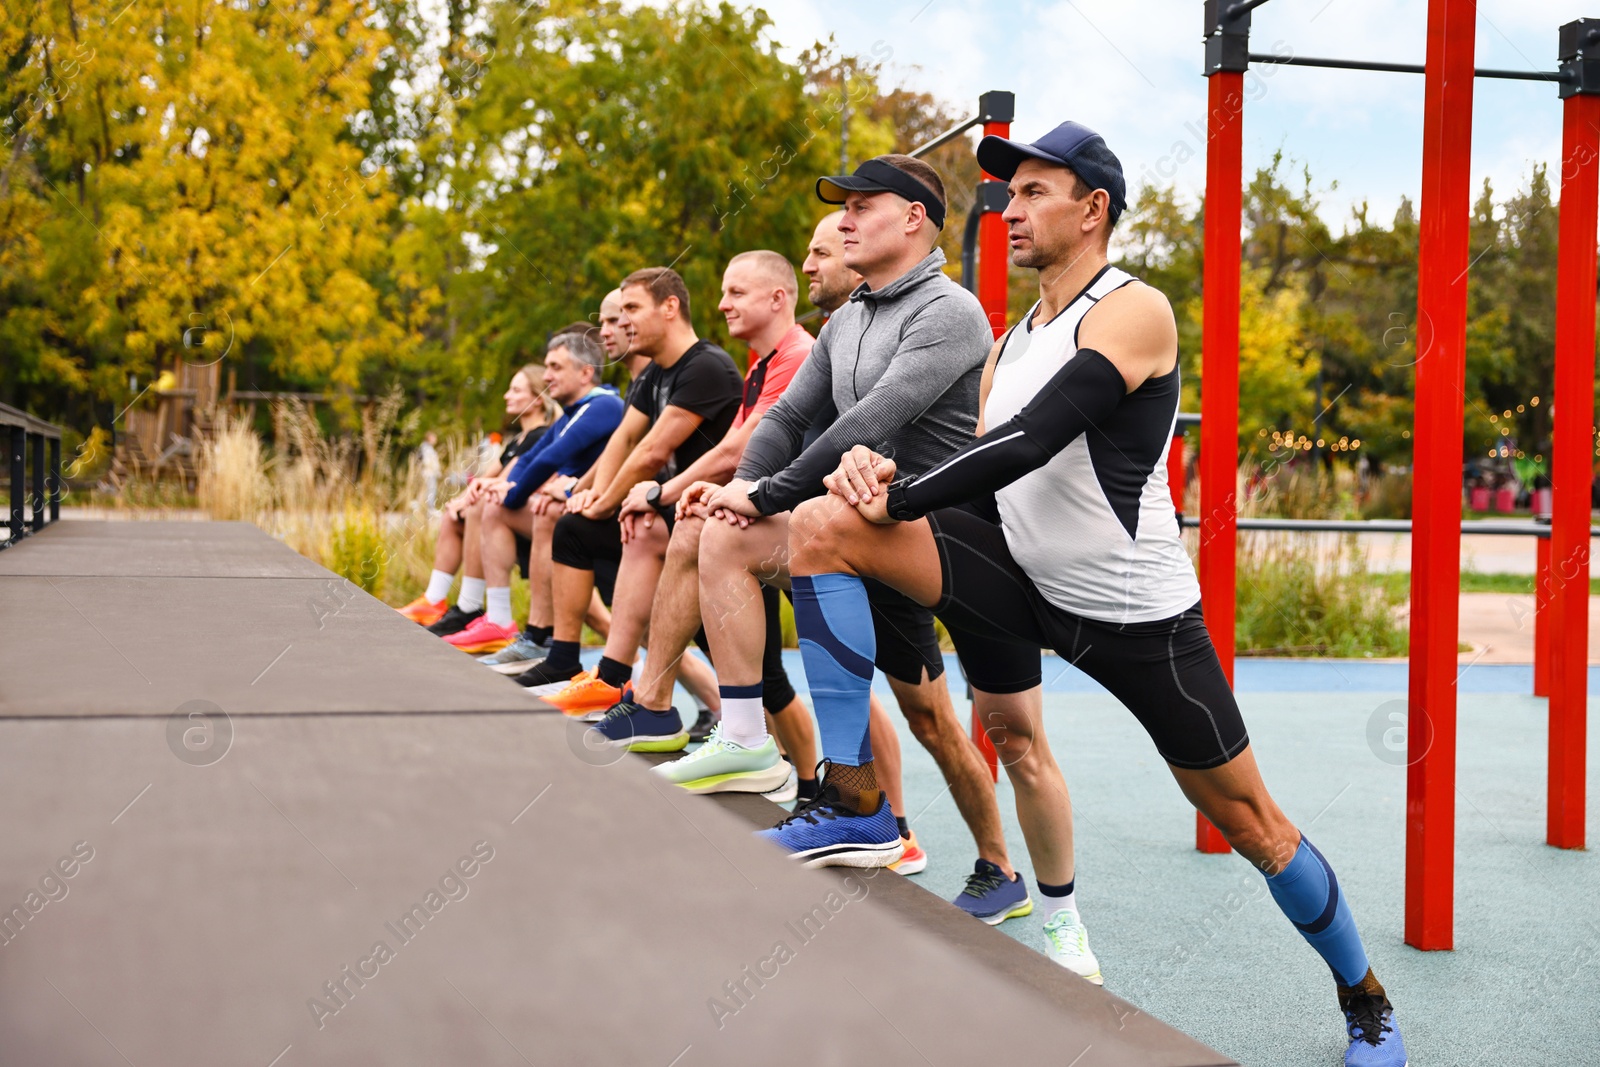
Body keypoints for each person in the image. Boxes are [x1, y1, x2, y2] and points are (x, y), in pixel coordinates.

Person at [783, 121, 1404, 1059]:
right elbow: (991, 478)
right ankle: (853, 796)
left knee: (1251, 823)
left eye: (1035, 192)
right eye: (1010, 193)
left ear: (1094, 208)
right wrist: (873, 492)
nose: (1011, 209)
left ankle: (1366, 998)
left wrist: (905, 493)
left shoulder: (1134, 310)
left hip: (1132, 614)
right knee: (825, 525)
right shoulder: (1009, 338)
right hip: (1019, 579)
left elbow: (1032, 438)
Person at [656, 155, 1040, 926]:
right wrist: (743, 491)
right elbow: (789, 419)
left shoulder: (951, 310)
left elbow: (865, 423)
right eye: (845, 207)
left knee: (930, 716)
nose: (847, 218)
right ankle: (747, 735)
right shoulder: (847, 319)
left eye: (864, 205)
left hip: (925, 534)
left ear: (914, 220)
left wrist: (767, 491)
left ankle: (998, 864)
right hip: (840, 527)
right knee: (716, 533)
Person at [512, 267, 743, 695]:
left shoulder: (706, 366)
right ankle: (589, 669)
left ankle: (775, 746)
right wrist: (587, 495)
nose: (614, 327)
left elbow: (650, 452)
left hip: (713, 521)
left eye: (626, 312)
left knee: (757, 670)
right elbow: (625, 439)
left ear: (669, 307)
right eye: (610, 318)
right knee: (578, 530)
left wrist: (599, 502)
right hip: (668, 516)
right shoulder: (652, 375)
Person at [445, 329, 626, 654]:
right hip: (566, 514)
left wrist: (513, 494)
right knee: (496, 507)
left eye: (556, 367)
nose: (546, 376)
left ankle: (540, 634)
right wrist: (505, 489)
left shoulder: (604, 405)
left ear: (586, 373)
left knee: (623, 623)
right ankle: (499, 619)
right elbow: (533, 457)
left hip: (599, 520)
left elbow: (550, 458)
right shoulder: (574, 412)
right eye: (546, 367)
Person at [397, 369, 557, 630]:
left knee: (478, 507)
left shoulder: (539, 436)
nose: (507, 395)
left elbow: (506, 481)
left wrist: (470, 500)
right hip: (501, 512)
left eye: (516, 390)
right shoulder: (517, 439)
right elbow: (486, 476)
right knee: (454, 514)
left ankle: (470, 607)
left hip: (517, 517)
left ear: (538, 398)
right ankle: (434, 599)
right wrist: (459, 500)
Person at [418, 431, 443, 510]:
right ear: (430, 438)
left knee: (429, 490)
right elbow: (426, 462)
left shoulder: (428, 448)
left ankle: (424, 508)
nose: (436, 440)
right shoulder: (426, 448)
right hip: (429, 473)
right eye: (434, 438)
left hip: (430, 473)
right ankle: (429, 508)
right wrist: (434, 470)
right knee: (430, 490)